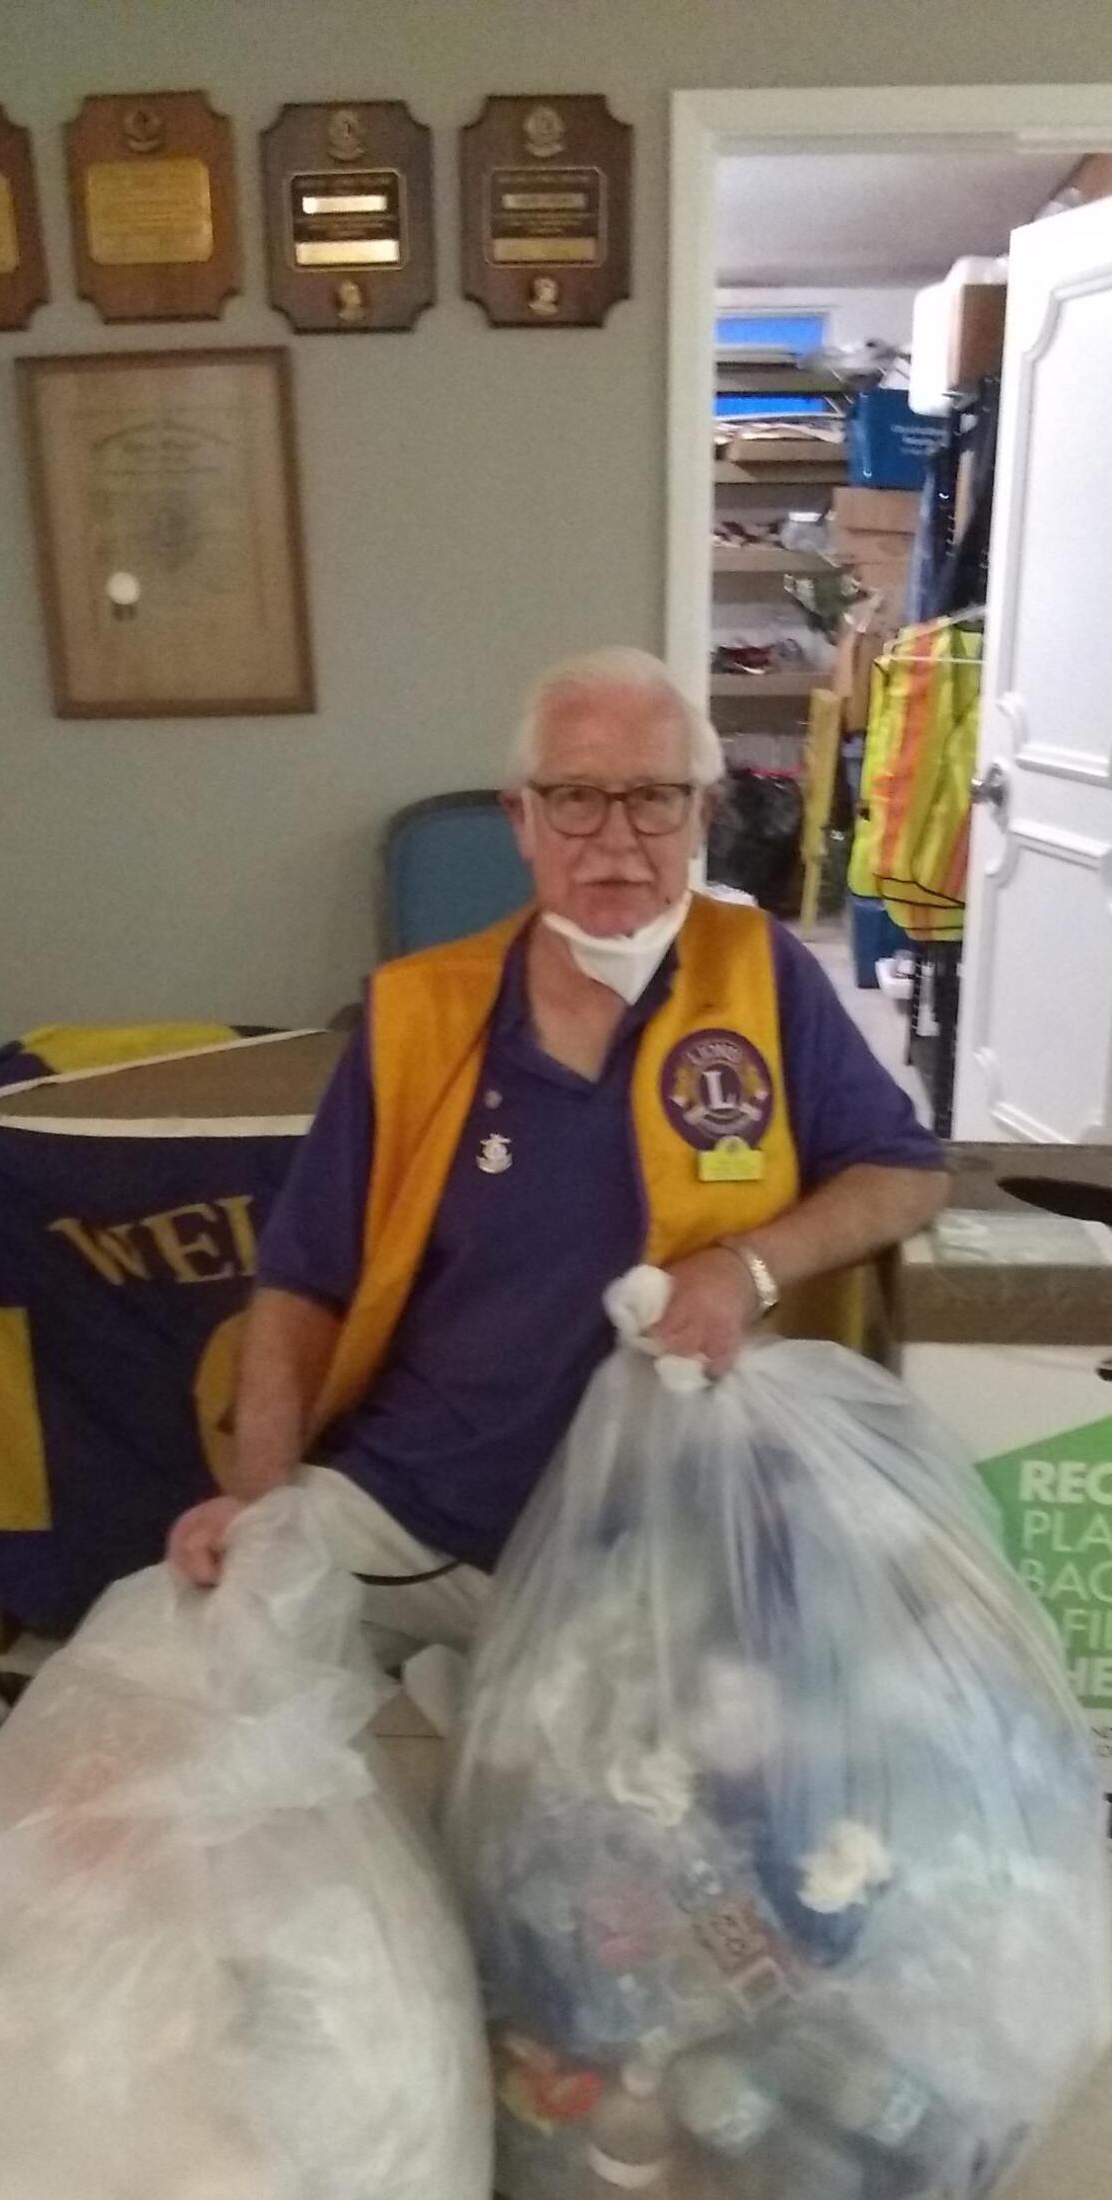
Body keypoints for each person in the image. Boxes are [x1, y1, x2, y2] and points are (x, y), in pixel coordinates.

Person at [167, 647, 948, 1653]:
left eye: (656, 799)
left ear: (703, 818)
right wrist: (260, 1507)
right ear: (522, 821)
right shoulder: (421, 1011)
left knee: (712, 1782)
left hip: (681, 1534)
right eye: (576, 797)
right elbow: (301, 1282)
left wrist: (744, 1266)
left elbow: (904, 1174)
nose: (616, 838)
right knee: (185, 1668)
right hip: (422, 1508)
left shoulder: (764, 979)